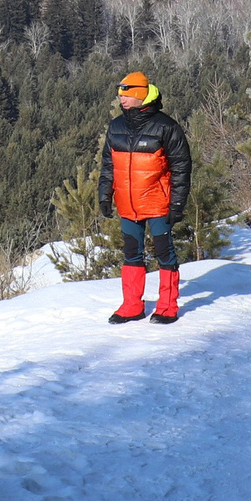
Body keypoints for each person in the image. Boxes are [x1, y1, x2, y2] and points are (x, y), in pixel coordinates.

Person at [99, 70, 191, 323]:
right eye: (120, 95)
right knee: (131, 253)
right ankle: (131, 306)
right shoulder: (116, 126)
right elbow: (108, 164)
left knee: (164, 252)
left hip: (158, 202)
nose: (121, 99)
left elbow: (182, 168)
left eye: (126, 95)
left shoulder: (166, 127)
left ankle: (167, 306)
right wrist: (105, 195)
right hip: (127, 203)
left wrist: (178, 204)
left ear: (141, 95)